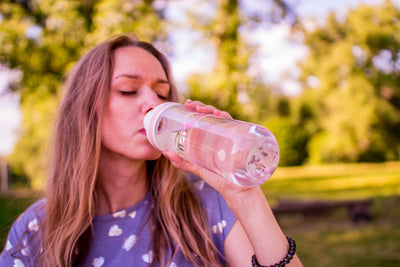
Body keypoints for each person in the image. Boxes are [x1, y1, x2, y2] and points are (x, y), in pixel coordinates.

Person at [0, 34, 302, 267]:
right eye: (128, 90)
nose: (154, 103)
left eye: (162, 92)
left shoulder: (207, 207)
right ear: (85, 110)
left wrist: (243, 194)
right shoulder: (35, 230)